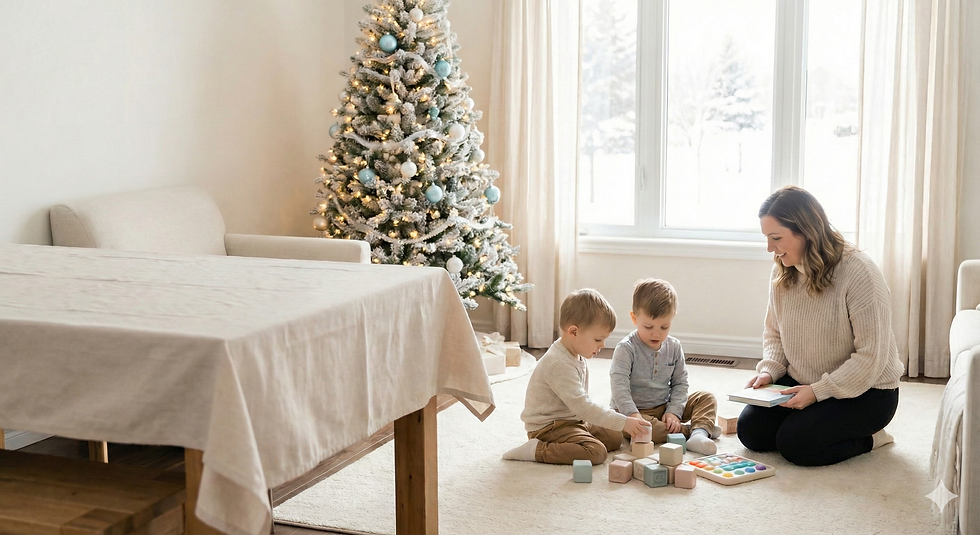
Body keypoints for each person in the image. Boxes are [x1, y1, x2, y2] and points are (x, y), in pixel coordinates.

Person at [738, 185, 904, 466]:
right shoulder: (782, 269)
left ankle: (872, 438)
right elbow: (774, 333)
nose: (770, 249)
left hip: (868, 391)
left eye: (776, 238)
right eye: (767, 238)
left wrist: (817, 393)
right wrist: (770, 371)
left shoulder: (859, 272)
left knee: (796, 445)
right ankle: (810, 420)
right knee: (751, 433)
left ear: (804, 231)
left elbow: (871, 357)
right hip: (804, 381)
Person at [502, 289, 652, 465]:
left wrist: (619, 423)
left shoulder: (575, 353)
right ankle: (537, 449)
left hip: (573, 419)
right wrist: (624, 421)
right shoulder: (558, 364)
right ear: (573, 332)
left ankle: (579, 437)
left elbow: (582, 407)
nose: (603, 345)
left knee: (614, 437)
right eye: (598, 339)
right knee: (596, 452)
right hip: (549, 428)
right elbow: (583, 406)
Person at [609, 278, 722, 456]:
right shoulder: (626, 348)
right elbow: (619, 387)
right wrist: (632, 415)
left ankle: (699, 433)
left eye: (664, 326)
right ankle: (696, 430)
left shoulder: (674, 346)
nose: (656, 333)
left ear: (672, 318)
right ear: (634, 318)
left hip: (664, 405)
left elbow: (680, 383)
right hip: (633, 413)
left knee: (706, 398)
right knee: (645, 428)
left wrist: (674, 412)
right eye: (648, 326)